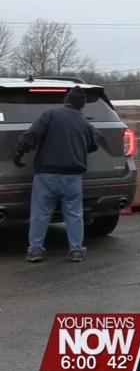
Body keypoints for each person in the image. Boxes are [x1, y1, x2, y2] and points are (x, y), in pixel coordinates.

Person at [13, 86, 98, 263]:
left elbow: (31, 136)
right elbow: (93, 145)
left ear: (66, 100)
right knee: (74, 215)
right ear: (82, 105)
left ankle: (35, 250)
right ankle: (76, 251)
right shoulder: (85, 123)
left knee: (40, 214)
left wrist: (18, 154)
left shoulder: (50, 115)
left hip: (46, 176)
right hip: (72, 178)